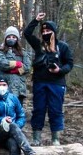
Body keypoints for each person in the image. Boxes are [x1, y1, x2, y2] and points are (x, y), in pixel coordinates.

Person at [23, 12, 74, 146]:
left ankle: (55, 139)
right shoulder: (39, 45)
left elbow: (70, 63)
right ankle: (36, 138)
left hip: (57, 83)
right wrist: (35, 20)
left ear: (54, 32)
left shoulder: (63, 47)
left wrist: (60, 70)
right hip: (40, 82)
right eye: (44, 30)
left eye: (48, 30)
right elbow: (27, 34)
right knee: (38, 109)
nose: (45, 32)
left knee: (55, 110)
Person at [0, 26, 32, 105]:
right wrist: (17, 64)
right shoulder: (1, 51)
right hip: (5, 88)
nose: (11, 39)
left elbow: (27, 67)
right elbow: (2, 64)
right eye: (9, 37)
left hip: (19, 89)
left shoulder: (23, 52)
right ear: (5, 38)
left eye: (13, 37)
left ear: (17, 39)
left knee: (18, 112)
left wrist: (14, 70)